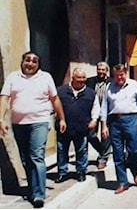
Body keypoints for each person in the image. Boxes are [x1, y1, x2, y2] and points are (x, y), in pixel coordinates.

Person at [0, 51, 66, 208]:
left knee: (37, 155)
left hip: (40, 122)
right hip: (19, 123)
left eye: (34, 61)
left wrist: (61, 118)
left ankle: (38, 194)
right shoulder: (12, 77)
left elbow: (54, 99)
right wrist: (1, 119)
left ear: (38, 64)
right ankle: (32, 187)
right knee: (25, 158)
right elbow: (4, 97)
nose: (30, 63)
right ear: (22, 62)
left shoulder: (46, 77)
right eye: (27, 60)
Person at [100, 64, 137, 194]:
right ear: (113, 76)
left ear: (125, 74)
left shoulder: (134, 85)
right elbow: (104, 107)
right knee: (118, 153)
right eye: (116, 75)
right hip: (114, 121)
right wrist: (104, 125)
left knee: (134, 150)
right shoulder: (109, 87)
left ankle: (135, 170)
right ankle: (122, 182)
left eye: (121, 75)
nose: (119, 77)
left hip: (131, 119)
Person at [55, 68, 100, 183]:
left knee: (81, 151)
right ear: (73, 78)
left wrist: (94, 120)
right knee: (61, 150)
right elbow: (53, 106)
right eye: (79, 78)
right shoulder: (60, 91)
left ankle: (81, 172)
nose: (82, 80)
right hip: (64, 127)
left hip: (81, 127)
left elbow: (96, 108)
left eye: (83, 78)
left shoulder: (91, 93)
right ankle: (62, 172)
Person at [86, 61, 113, 170]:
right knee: (90, 134)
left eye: (103, 69)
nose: (101, 71)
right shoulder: (90, 81)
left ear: (106, 71)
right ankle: (102, 150)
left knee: (105, 136)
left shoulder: (111, 82)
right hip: (93, 112)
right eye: (99, 69)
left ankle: (103, 159)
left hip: (107, 111)